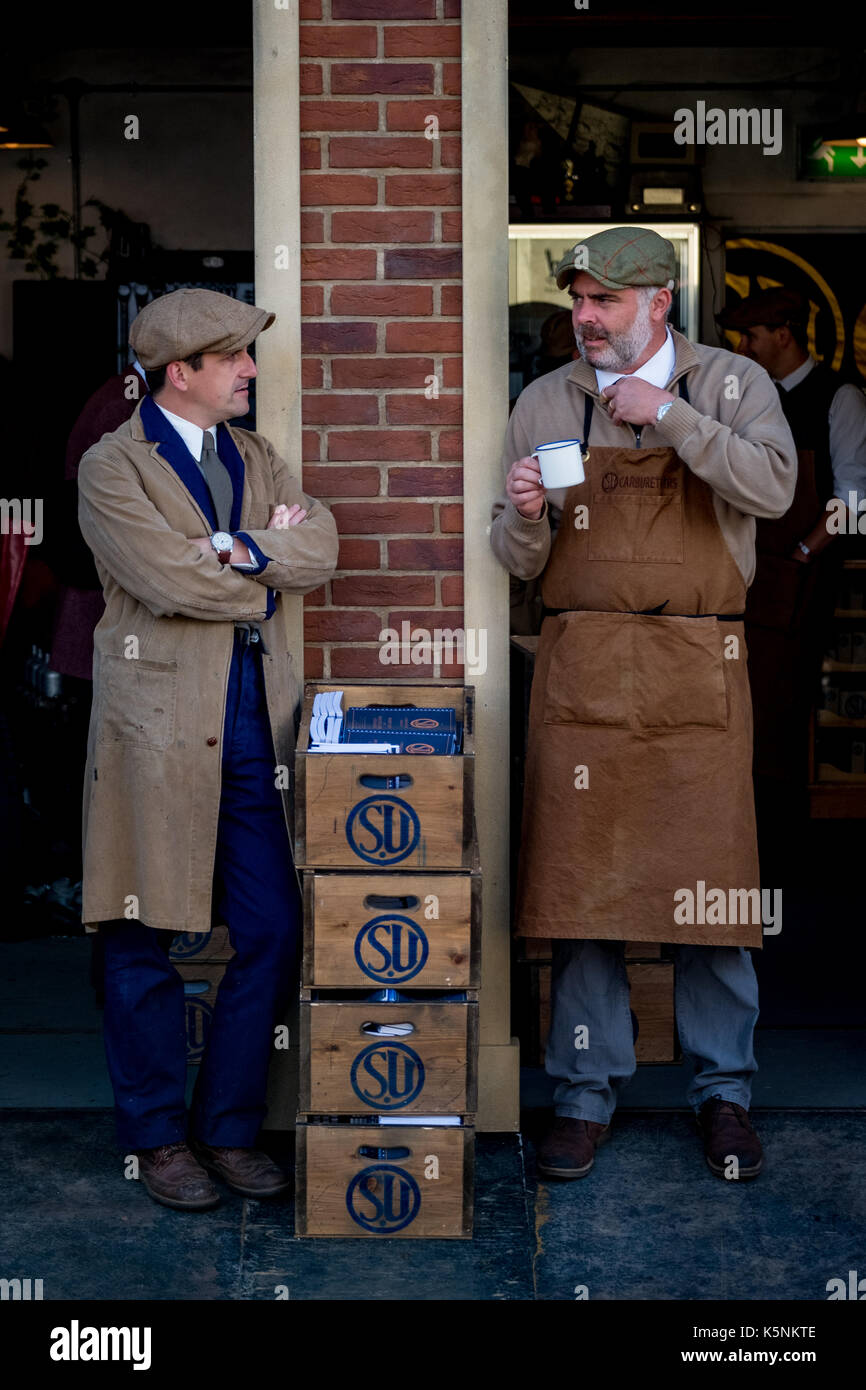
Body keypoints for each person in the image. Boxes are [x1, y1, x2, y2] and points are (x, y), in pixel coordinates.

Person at [490, 227, 797, 1182]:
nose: (583, 318)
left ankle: (726, 1094)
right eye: (578, 299)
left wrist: (670, 415)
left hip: (697, 665)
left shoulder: (733, 383)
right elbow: (511, 562)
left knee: (713, 895)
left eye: (604, 301)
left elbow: (775, 489)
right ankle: (583, 1099)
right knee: (582, 896)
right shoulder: (546, 399)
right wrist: (527, 519)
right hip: (582, 667)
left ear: (660, 302)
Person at [77, 288, 338, 1210]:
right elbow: (162, 578)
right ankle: (158, 1139)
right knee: (141, 931)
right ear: (178, 372)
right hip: (152, 728)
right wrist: (260, 563)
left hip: (253, 725)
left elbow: (325, 548)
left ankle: (227, 1129)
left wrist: (227, 550)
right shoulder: (113, 465)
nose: (251, 371)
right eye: (234, 359)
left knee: (269, 928)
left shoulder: (256, 454)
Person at [716, 289, 866, 854]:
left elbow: (854, 496)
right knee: (732, 702)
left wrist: (801, 553)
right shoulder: (741, 397)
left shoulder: (838, 397)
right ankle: (734, 836)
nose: (741, 347)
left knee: (780, 710)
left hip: (796, 577)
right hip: (740, 572)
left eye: (750, 336)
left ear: (783, 334)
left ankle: (778, 848)